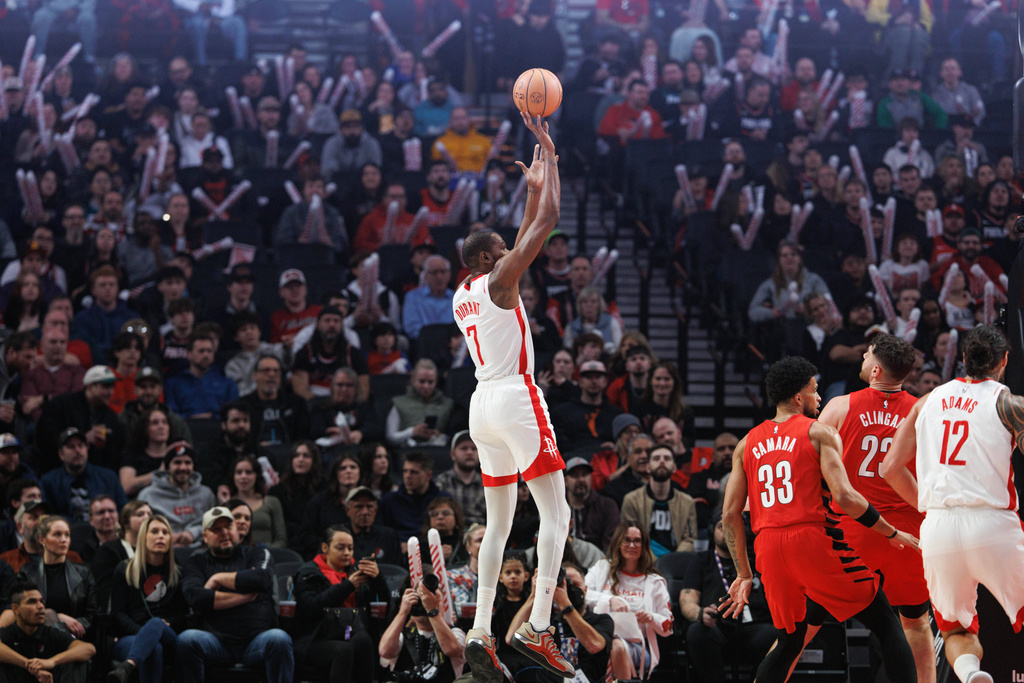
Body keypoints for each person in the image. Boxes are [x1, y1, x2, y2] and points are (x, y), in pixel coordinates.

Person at [452, 113, 575, 680]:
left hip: (480, 408)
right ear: (486, 261)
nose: (509, 255)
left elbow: (523, 235)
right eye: (500, 250)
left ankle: (479, 629)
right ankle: (540, 624)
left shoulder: (466, 293)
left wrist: (526, 194)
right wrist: (549, 158)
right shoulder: (501, 283)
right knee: (556, 510)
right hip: (516, 397)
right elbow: (546, 223)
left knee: (498, 524)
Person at [720, 356, 918, 682]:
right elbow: (845, 497)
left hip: (768, 547)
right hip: (812, 540)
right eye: (815, 391)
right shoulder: (819, 432)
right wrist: (891, 532)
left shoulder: (746, 444)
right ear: (799, 397)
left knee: (789, 641)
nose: (819, 398)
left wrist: (744, 573)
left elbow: (729, 515)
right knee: (886, 624)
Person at [881, 326, 1024, 683]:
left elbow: (890, 468)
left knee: (956, 629)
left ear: (963, 360)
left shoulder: (927, 401)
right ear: (1003, 362)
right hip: (993, 523)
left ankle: (972, 673)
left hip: (939, 529)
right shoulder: (1009, 403)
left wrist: (929, 508)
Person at [818, 334, 935, 683]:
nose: (863, 356)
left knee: (808, 619)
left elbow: (814, 468)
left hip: (856, 525)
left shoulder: (840, 406)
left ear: (875, 369)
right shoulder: (923, 411)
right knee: (915, 621)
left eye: (867, 354)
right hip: (909, 530)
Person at [178, 507, 294, 682]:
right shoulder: (197, 562)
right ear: (205, 537)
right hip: (216, 642)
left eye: (228, 527)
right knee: (187, 639)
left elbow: (261, 579)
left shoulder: (257, 553)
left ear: (236, 530)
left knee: (279, 639)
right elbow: (195, 596)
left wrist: (217, 579)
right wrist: (244, 596)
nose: (224, 532)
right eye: (216, 529)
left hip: (257, 640)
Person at [680, 513, 775, 683]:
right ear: (712, 531)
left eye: (733, 525)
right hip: (718, 626)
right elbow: (687, 600)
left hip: (753, 627)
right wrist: (700, 613)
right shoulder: (701, 561)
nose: (727, 530)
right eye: (720, 526)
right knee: (697, 631)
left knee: (777, 634)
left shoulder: (757, 561)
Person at [292, 525, 386, 683]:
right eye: (340, 548)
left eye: (350, 548)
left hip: (354, 633)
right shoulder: (308, 573)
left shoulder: (359, 571)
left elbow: (383, 606)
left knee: (364, 639)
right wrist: (347, 586)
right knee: (344, 649)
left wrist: (378, 579)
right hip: (318, 637)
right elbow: (309, 608)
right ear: (325, 547)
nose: (347, 553)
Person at [583, 524, 673, 679]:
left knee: (617, 647)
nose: (632, 545)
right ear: (618, 543)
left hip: (636, 644)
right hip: (599, 637)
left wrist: (651, 618)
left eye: (637, 541)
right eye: (627, 540)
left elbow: (668, 626)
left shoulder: (655, 581)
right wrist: (610, 599)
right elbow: (581, 595)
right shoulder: (601, 568)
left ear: (644, 546)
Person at [107, 515, 187, 683]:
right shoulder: (124, 570)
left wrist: (163, 625)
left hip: (168, 635)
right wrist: (146, 633)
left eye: (165, 532)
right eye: (155, 531)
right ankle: (133, 659)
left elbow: (183, 614)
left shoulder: (177, 573)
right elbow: (118, 614)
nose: (160, 536)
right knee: (153, 647)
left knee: (157, 623)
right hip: (131, 636)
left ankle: (127, 666)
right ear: (144, 537)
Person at [11, 516, 97, 639]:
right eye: (57, 534)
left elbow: (92, 615)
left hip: (76, 638)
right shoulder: (27, 572)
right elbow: (23, 611)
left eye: (67, 535)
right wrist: (58, 617)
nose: (64, 540)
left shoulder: (84, 573)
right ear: (42, 539)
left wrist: (72, 629)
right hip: (37, 637)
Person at [0, 580, 95, 683]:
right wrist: (29, 665)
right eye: (32, 602)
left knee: (78, 661)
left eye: (41, 601)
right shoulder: (8, 633)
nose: (40, 606)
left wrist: (52, 662)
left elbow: (89, 649)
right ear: (16, 609)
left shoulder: (50, 633)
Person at [36, 365, 126, 473]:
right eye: (106, 386)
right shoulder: (61, 405)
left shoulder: (110, 416)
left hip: (96, 475)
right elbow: (45, 440)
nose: (111, 392)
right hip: (60, 471)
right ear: (90, 386)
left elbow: (116, 452)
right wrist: (82, 440)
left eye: (112, 387)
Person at [378, 574, 467, 683]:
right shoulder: (401, 635)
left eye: (431, 602)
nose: (425, 606)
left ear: (442, 605)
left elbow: (451, 649)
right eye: (420, 602)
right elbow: (385, 651)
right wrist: (403, 613)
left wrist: (433, 611)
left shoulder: (455, 633)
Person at [620, 444, 697, 556]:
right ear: (648, 467)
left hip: (676, 564)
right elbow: (630, 537)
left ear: (674, 467)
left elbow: (690, 539)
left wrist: (671, 561)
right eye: (656, 458)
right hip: (642, 562)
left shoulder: (687, 502)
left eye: (667, 458)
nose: (662, 461)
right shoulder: (632, 500)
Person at [40, 428, 127, 522]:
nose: (77, 450)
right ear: (61, 454)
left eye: (81, 446)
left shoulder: (108, 477)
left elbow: (123, 509)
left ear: (87, 449)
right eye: (71, 447)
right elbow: (47, 516)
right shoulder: (49, 481)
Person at [138, 444, 216, 548]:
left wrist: (193, 533)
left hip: (201, 550)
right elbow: (141, 527)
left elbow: (214, 523)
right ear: (167, 468)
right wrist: (165, 534)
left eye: (187, 463)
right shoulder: (148, 495)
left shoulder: (206, 494)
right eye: (177, 462)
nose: (183, 467)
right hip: (162, 549)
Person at [89, 500, 151, 609]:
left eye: (149, 514)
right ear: (125, 522)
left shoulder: (155, 550)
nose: (146, 518)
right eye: (140, 514)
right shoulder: (108, 551)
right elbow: (106, 594)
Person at [164, 335, 239, 418]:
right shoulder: (173, 384)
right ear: (189, 354)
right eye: (201, 351)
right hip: (185, 428)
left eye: (209, 351)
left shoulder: (228, 384)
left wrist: (213, 417)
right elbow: (172, 415)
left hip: (218, 428)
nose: (206, 355)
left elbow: (232, 414)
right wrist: (191, 418)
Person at [380, 452, 449, 539]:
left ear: (428, 475)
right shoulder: (389, 501)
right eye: (405, 471)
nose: (408, 476)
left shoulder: (444, 500)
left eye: (414, 472)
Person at [222, 456, 286, 548]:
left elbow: (281, 539)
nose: (243, 476)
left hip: (268, 552)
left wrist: (267, 555)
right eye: (239, 472)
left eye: (248, 472)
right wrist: (226, 505)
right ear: (233, 476)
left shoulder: (272, 502)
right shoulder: (226, 503)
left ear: (257, 475)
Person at [268, 441, 325, 543]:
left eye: (306, 456)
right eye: (296, 456)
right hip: (289, 541)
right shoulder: (278, 491)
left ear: (314, 460)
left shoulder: (324, 488)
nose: (300, 460)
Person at [564, 457, 620, 551]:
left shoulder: (607, 505)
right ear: (565, 481)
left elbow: (611, 543)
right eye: (575, 475)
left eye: (585, 474)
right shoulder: (557, 507)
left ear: (591, 478)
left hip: (599, 560)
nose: (581, 480)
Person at [434, 431, 485, 526]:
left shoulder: (487, 484)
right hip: (449, 534)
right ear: (453, 454)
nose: (469, 452)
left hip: (480, 535)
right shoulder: (440, 482)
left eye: (474, 449)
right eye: (464, 448)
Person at [119, 406, 173, 495]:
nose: (161, 426)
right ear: (145, 428)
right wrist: (159, 473)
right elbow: (126, 487)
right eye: (155, 423)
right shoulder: (132, 455)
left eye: (165, 422)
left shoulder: (176, 453)